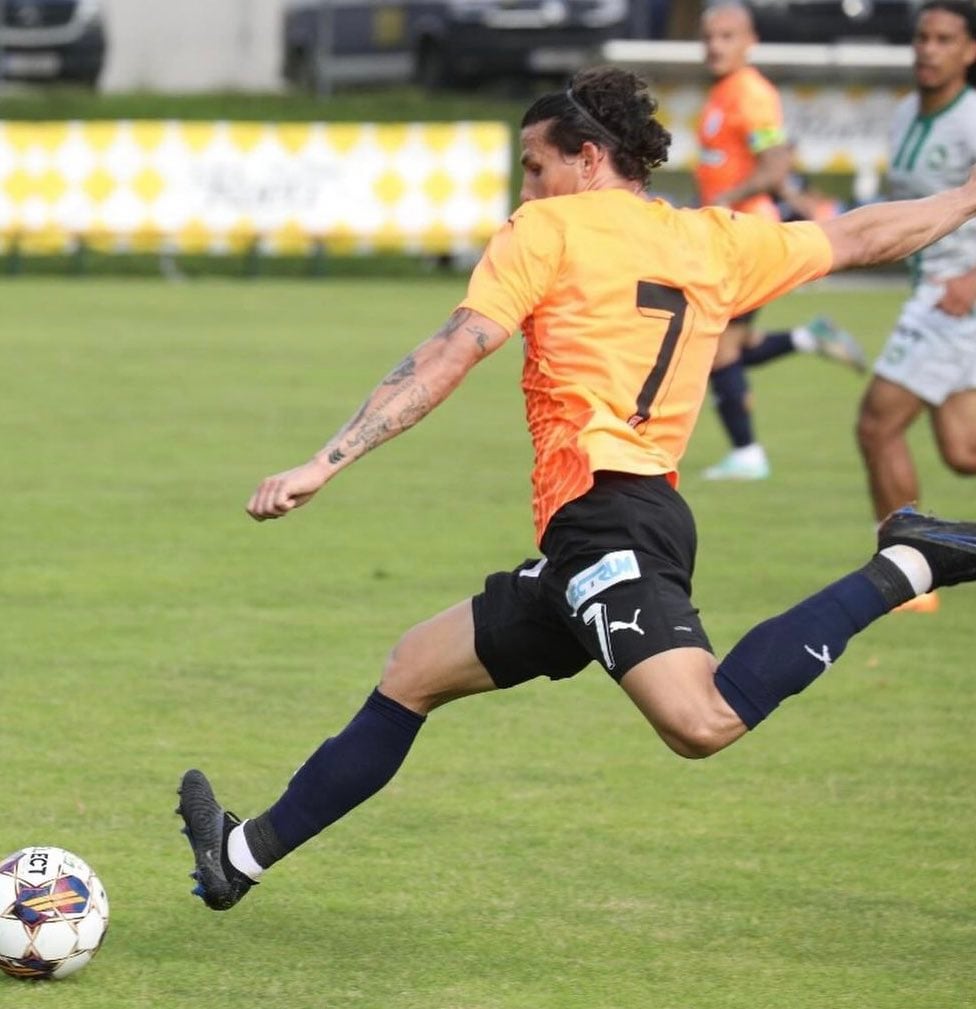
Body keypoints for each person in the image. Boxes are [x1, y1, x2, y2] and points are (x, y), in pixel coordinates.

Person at [177, 65, 976, 912]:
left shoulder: (547, 230)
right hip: (593, 532)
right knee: (414, 668)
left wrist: (323, 461)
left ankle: (907, 563)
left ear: (589, 158)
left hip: (614, 525)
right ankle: (241, 854)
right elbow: (860, 235)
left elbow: (451, 351)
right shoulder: (714, 238)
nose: (525, 185)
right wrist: (965, 198)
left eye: (534, 164)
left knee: (700, 721)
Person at [696, 2, 866, 481]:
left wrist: (723, 199)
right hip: (728, 234)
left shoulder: (750, 92)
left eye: (728, 36)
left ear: (751, 41)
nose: (716, 45)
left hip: (745, 237)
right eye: (710, 37)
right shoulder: (724, 93)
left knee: (715, 348)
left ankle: (747, 453)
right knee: (728, 344)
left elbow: (773, 166)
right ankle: (808, 337)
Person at [856, 0, 976, 615]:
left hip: (956, 299)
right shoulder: (906, 113)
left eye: (944, 38)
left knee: (877, 424)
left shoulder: (973, 118)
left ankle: (910, 575)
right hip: (930, 296)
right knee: (963, 452)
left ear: (970, 51)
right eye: (922, 37)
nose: (928, 48)